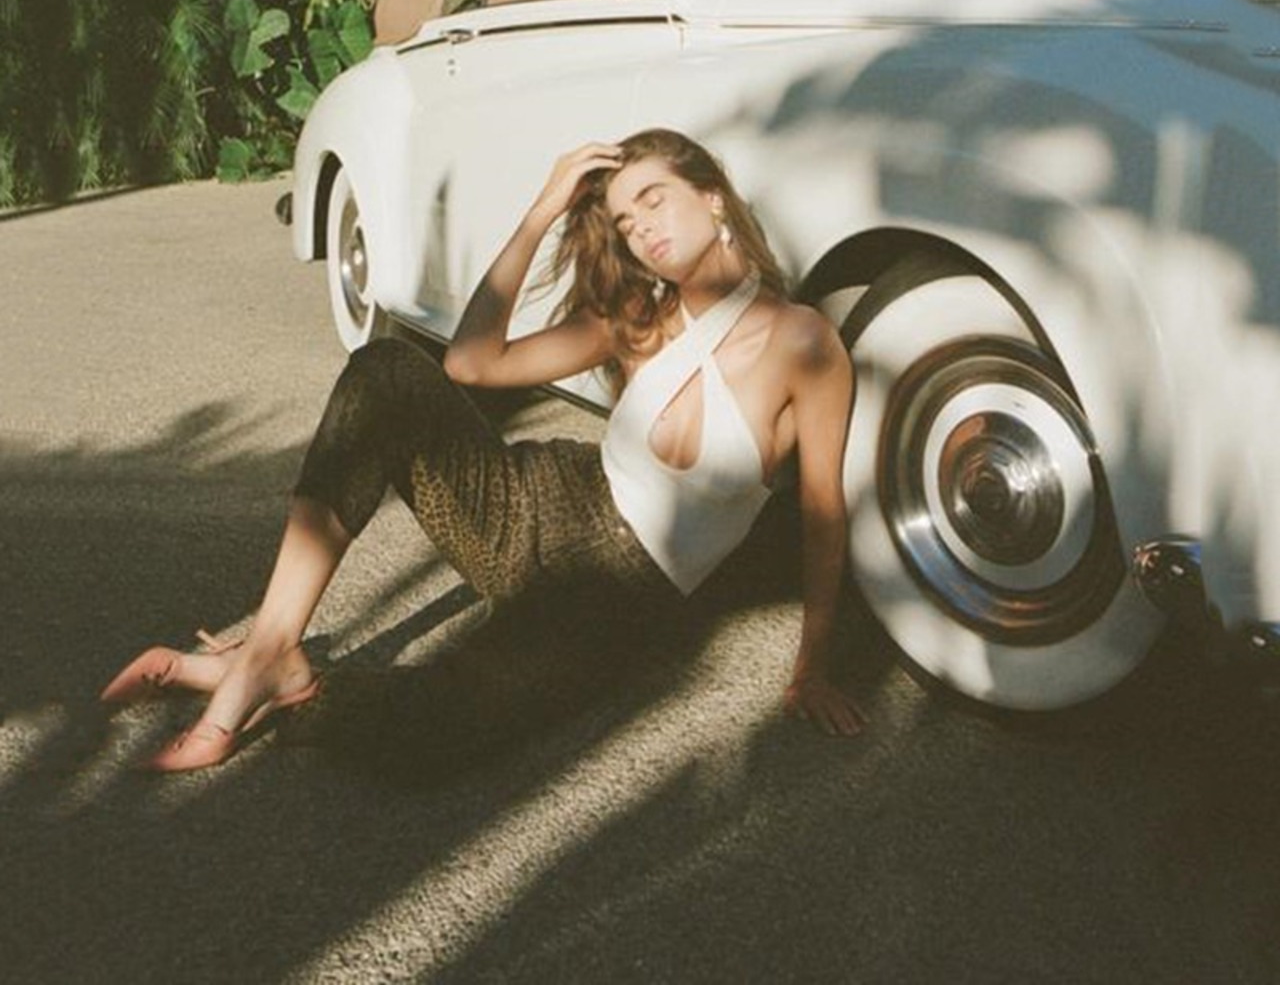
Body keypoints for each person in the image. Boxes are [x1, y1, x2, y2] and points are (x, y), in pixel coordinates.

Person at [101, 130, 865, 772]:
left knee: (432, 739)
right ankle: (270, 647)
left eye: (654, 200)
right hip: (537, 505)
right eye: (625, 222)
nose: (641, 230)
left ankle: (294, 683)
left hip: (610, 601)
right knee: (386, 374)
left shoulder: (803, 343)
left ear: (714, 197)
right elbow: (471, 364)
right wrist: (541, 212)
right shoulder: (639, 316)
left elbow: (824, 512)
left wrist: (813, 668)